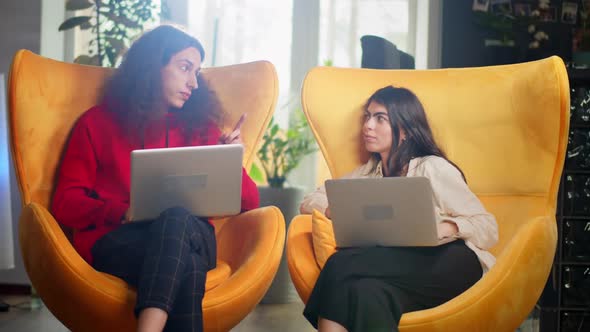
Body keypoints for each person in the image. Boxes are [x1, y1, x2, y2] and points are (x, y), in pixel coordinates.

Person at [51, 25, 259, 332]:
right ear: (151, 66)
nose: (193, 83)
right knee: (184, 265)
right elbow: (65, 203)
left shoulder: (202, 130)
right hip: (119, 241)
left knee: (175, 218)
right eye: (185, 67)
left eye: (197, 72)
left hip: (193, 238)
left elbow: (250, 202)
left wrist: (232, 161)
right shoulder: (96, 124)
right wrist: (120, 212)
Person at [299, 86, 498, 332]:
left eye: (380, 118)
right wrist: (335, 210)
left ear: (404, 129)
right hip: (393, 265)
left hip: (449, 262)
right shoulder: (368, 173)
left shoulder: (432, 168)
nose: (368, 126)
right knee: (366, 292)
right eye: (367, 116)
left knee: (340, 263)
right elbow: (309, 201)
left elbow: (488, 226)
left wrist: (445, 227)